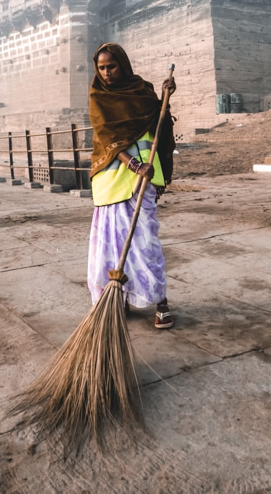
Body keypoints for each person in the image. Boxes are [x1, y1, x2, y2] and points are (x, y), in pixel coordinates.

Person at [87, 42, 177, 330]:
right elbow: (105, 137)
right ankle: (118, 297)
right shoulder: (98, 97)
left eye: (111, 66)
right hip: (113, 177)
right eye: (101, 68)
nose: (106, 73)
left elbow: (158, 124)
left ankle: (160, 300)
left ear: (122, 65)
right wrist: (135, 165)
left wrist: (165, 99)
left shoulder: (143, 90)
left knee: (145, 240)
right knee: (110, 244)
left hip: (144, 178)